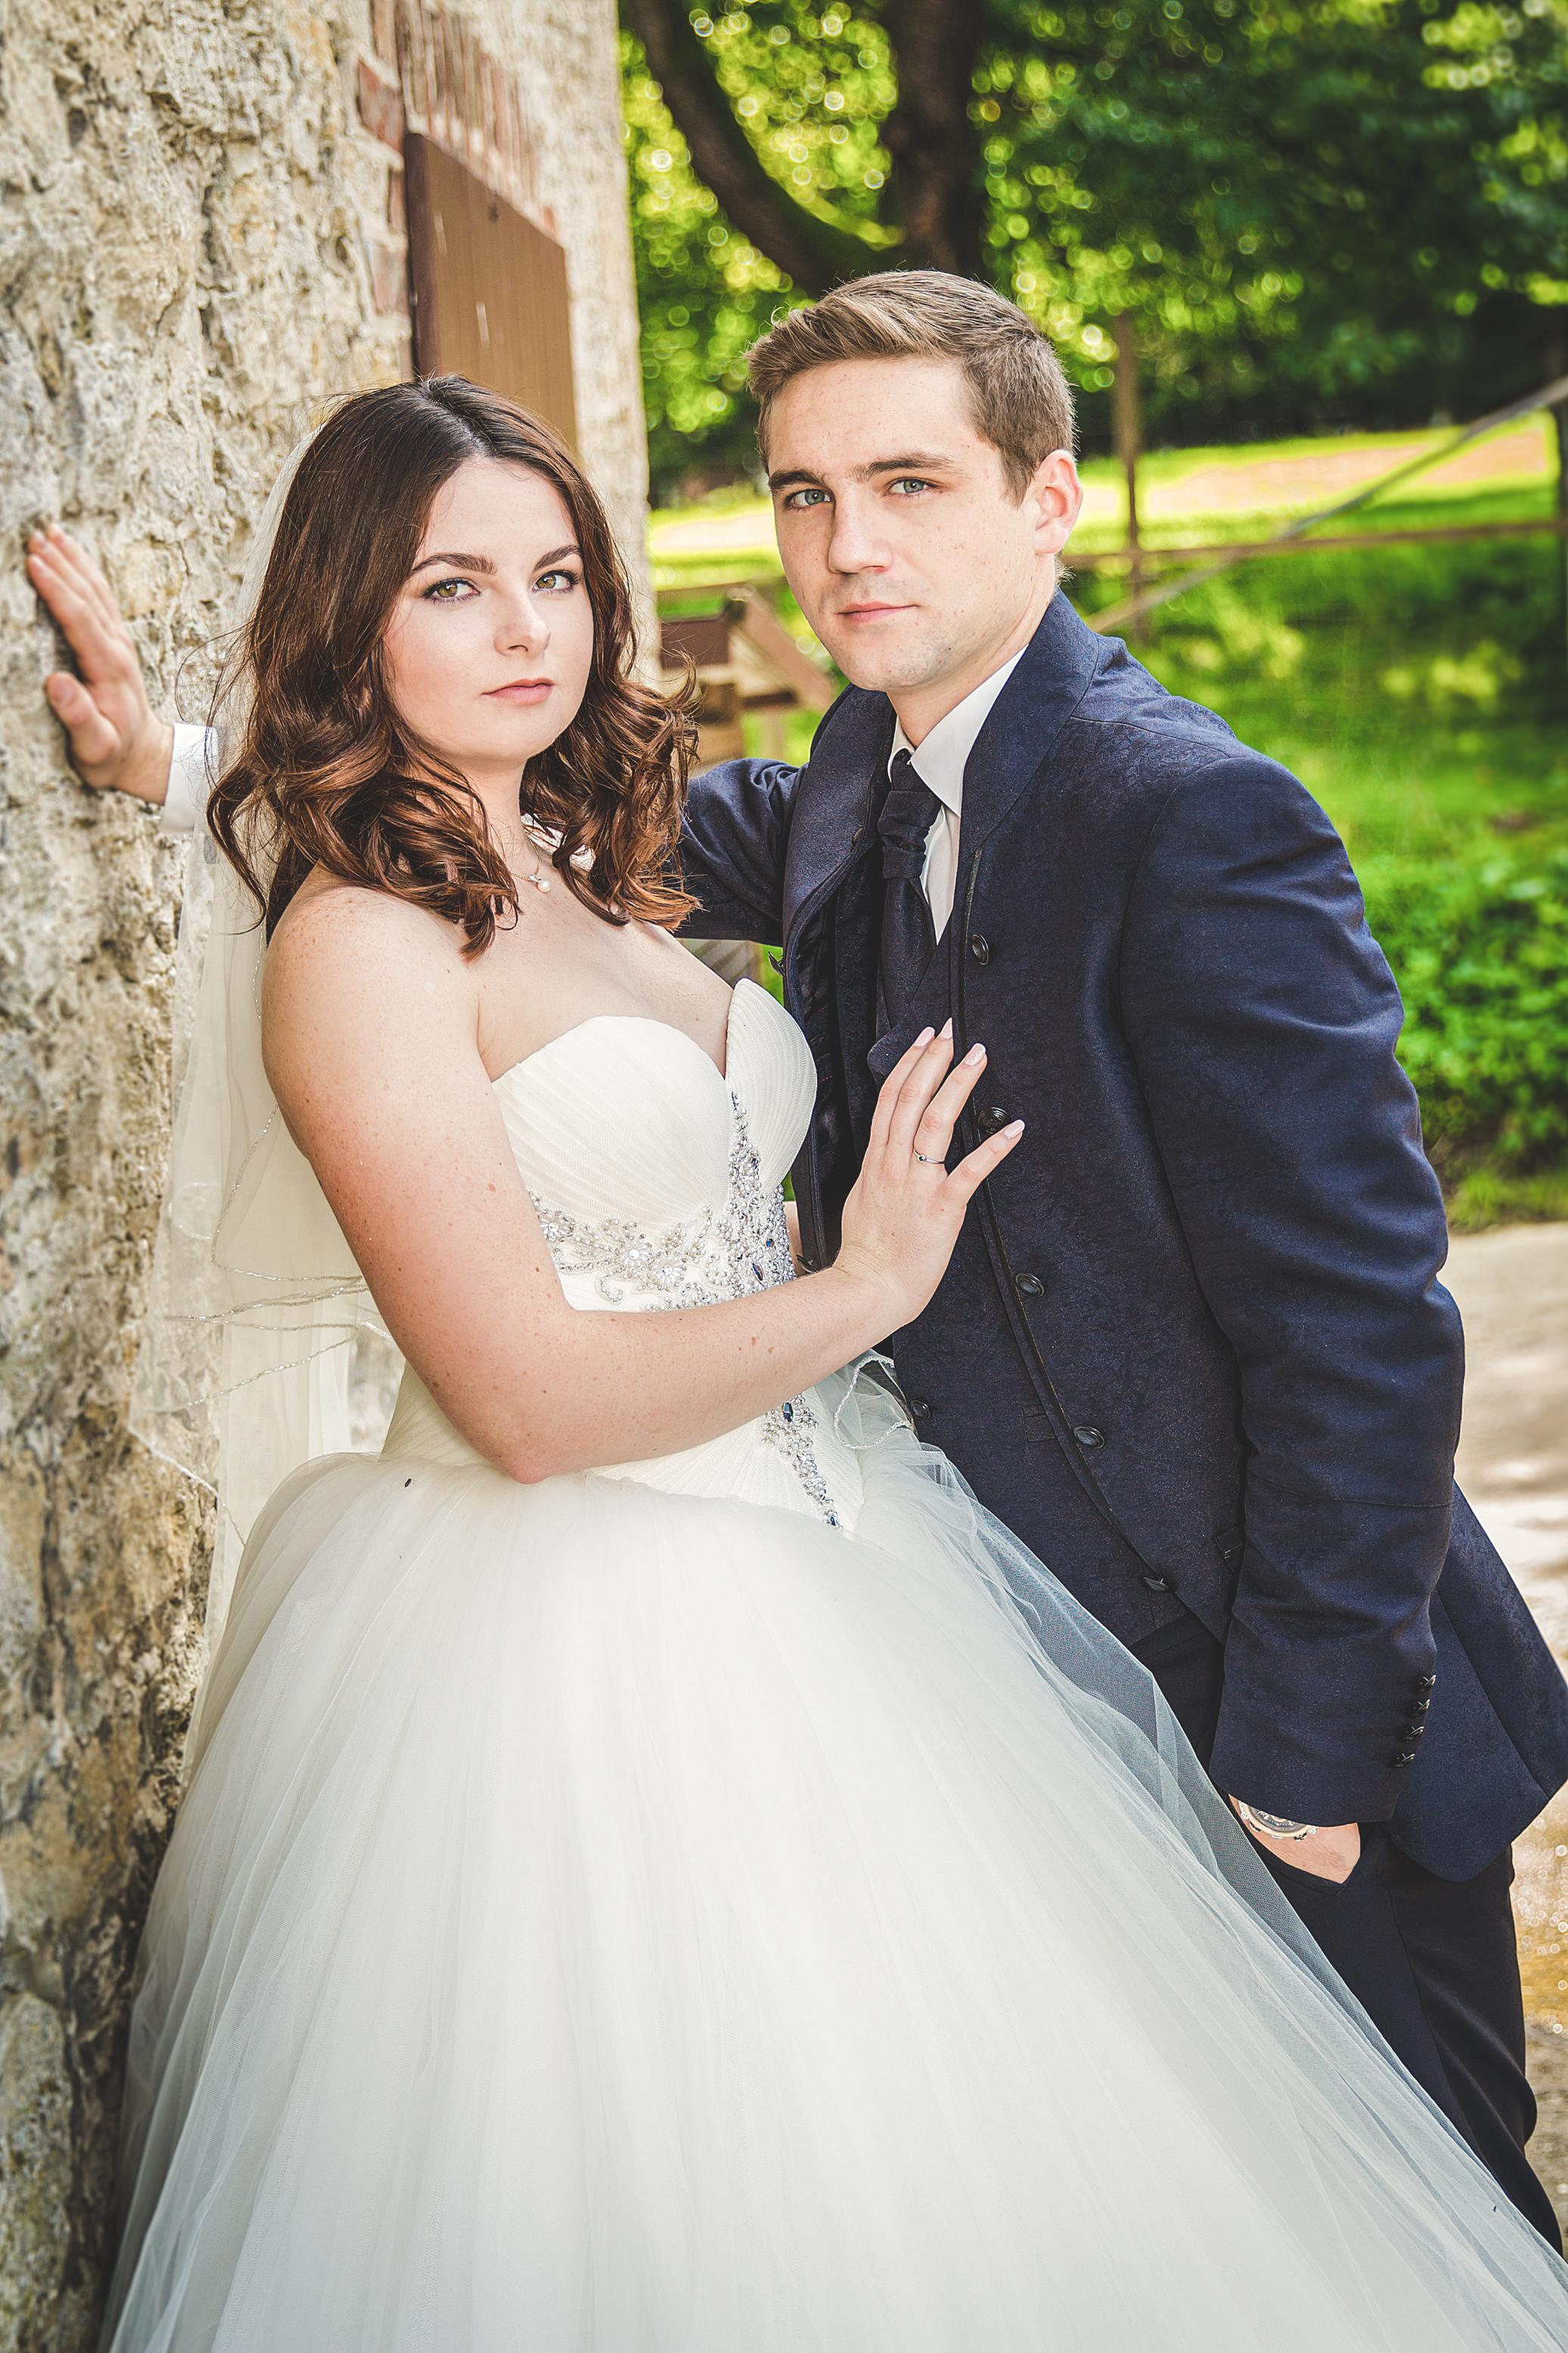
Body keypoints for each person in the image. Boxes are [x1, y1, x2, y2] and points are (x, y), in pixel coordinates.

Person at [29, 372, 1568, 2348]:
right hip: (576, 1658)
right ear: (355, 614)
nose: (524, 631)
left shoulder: (623, 861)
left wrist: (190, 757)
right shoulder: (367, 943)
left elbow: (1357, 1300)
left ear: (1045, 504)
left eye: (559, 578)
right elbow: (519, 1391)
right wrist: (865, 1281)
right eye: (449, 588)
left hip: (915, 1603)